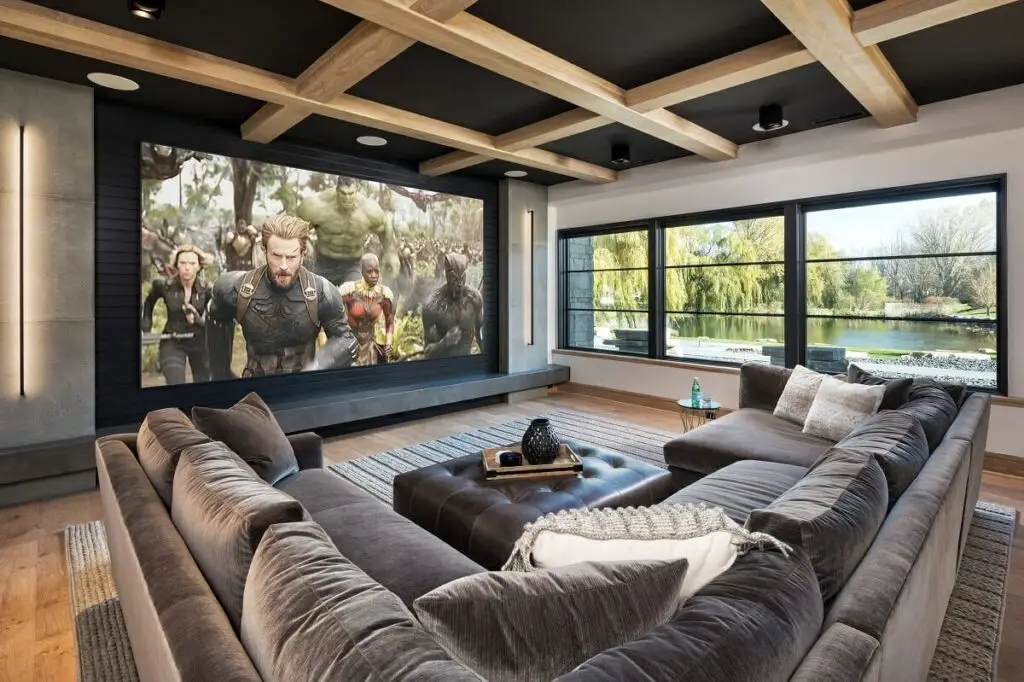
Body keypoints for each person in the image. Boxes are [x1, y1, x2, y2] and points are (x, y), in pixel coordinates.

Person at [206, 214, 358, 379]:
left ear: (302, 253)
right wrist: (221, 376)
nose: (284, 266)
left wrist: (317, 367)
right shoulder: (235, 288)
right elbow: (216, 319)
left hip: (303, 390)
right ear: (264, 250)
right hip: (253, 391)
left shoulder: (322, 291)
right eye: (276, 256)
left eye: (291, 257)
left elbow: (346, 340)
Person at [295, 178, 399, 285]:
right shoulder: (318, 206)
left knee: (353, 297)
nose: (347, 198)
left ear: (356, 191)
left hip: (352, 264)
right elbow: (294, 226)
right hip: (323, 262)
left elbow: (384, 227)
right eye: (343, 193)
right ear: (337, 190)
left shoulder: (369, 210)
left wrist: (391, 252)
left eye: (351, 193)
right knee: (318, 297)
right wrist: (305, 242)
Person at [141, 244, 211, 384]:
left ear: (199, 266)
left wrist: (198, 320)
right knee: (175, 384)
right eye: (183, 263)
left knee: (203, 386)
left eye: (192, 263)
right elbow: (149, 303)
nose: (187, 267)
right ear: (176, 265)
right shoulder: (165, 286)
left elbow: (216, 320)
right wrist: (146, 328)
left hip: (199, 341)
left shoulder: (207, 289)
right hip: (173, 339)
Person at [423, 253, 483, 359]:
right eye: (455, 279)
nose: (460, 284)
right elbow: (427, 352)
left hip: (466, 366)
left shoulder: (474, 299)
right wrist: (443, 343)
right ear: (447, 276)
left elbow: (481, 336)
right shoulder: (433, 305)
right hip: (442, 368)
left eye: (462, 279)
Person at [339, 253, 396, 366]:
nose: (374, 275)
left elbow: (389, 320)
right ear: (362, 271)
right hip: (349, 345)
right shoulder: (348, 291)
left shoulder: (384, 295)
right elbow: (332, 318)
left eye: (376, 271)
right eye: (369, 271)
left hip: (370, 347)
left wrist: (388, 343)